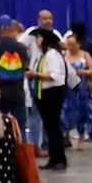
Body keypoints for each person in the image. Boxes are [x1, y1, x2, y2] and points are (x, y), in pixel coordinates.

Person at [34, 28, 73, 172]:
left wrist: (36, 74)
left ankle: (60, 159)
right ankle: (53, 158)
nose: (37, 41)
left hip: (53, 93)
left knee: (54, 127)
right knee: (49, 127)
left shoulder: (52, 55)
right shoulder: (42, 55)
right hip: (44, 93)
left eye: (38, 38)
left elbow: (55, 75)